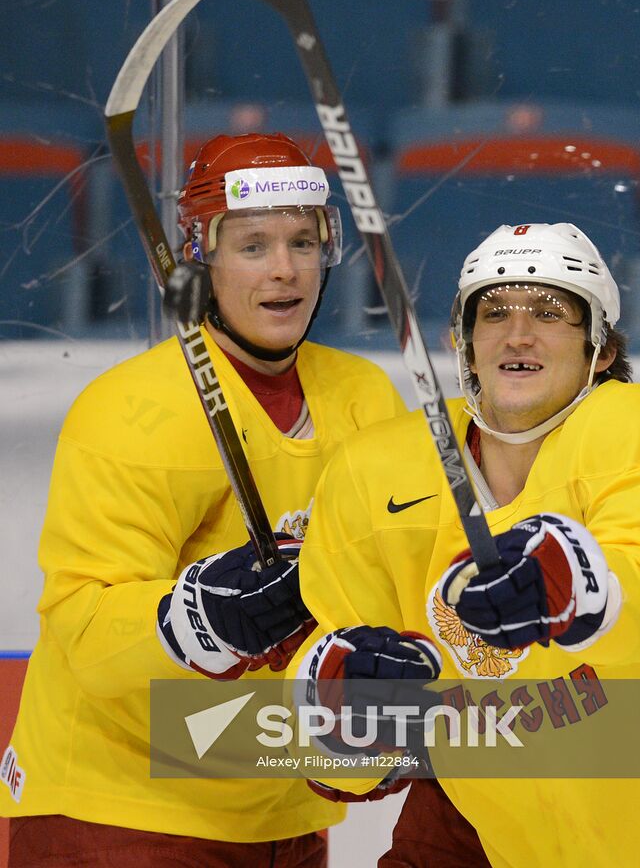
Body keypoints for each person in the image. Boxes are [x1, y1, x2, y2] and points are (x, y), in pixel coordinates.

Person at [0, 132, 407, 867]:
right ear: (200, 257)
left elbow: (390, 584)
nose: (284, 269)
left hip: (280, 809)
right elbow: (85, 631)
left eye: (303, 242)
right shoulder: (134, 410)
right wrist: (199, 618)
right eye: (252, 246)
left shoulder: (364, 397)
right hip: (120, 812)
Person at [293, 222, 640, 868]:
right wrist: (340, 714)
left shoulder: (636, 425)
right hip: (474, 803)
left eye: (549, 312)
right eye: (495, 312)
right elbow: (339, 667)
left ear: (601, 350)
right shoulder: (376, 468)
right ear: (464, 343)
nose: (518, 333)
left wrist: (574, 584)